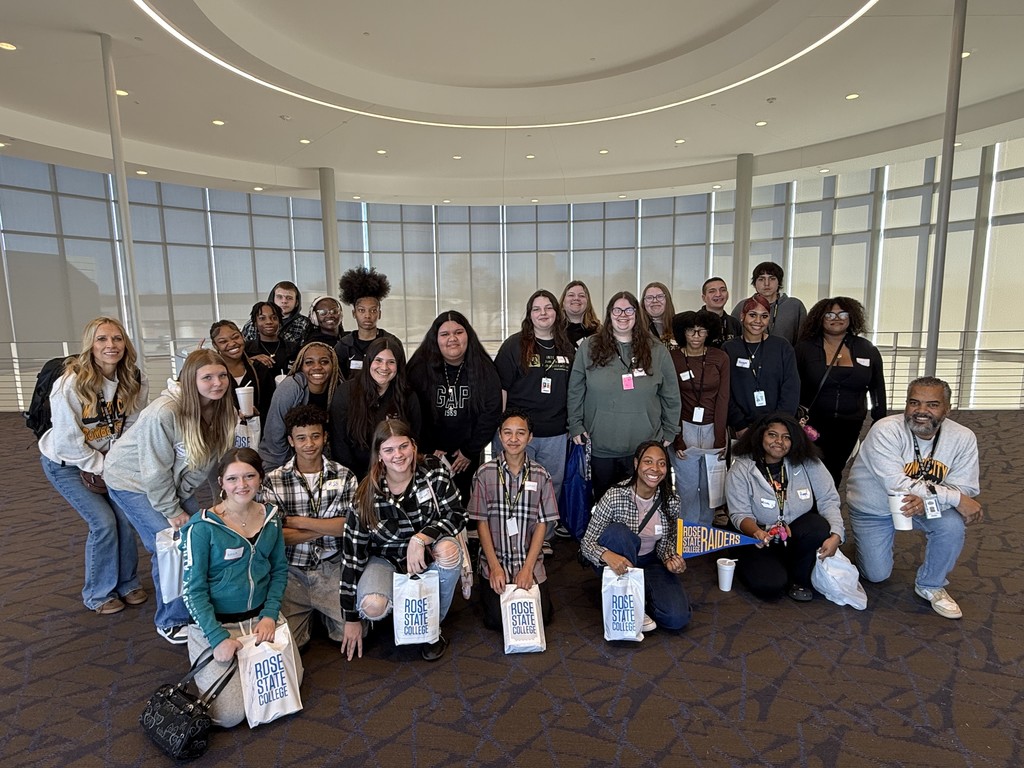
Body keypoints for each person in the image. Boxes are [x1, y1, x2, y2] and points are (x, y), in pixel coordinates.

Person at [105, 349, 237, 644]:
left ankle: (198, 606)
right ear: (190, 380)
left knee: (200, 536)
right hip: (133, 481)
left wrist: (224, 503)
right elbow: (153, 471)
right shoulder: (163, 412)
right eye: (207, 377)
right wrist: (172, 510)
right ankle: (171, 619)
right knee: (171, 545)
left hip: (172, 482)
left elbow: (214, 462)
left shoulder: (221, 409)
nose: (217, 383)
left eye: (222, 375)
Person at [38, 317, 149, 615]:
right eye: (102, 339)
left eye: (117, 339)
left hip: (109, 462)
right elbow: (67, 442)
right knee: (103, 522)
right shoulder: (70, 384)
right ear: (90, 345)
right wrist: (101, 466)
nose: (110, 345)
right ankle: (98, 594)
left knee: (126, 518)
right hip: (67, 464)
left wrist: (115, 465)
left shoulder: (134, 379)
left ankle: (126, 583)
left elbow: (134, 427)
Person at [847, 377, 982, 619]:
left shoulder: (963, 437)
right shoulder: (885, 430)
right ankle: (860, 549)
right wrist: (951, 498)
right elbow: (896, 484)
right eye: (914, 403)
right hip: (874, 507)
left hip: (924, 504)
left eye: (932, 404)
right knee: (877, 575)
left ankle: (931, 584)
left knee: (951, 525)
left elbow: (965, 487)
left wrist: (930, 499)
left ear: (947, 408)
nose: (921, 411)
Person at [339, 419, 466, 662]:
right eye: (389, 450)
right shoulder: (366, 494)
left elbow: (458, 514)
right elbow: (352, 556)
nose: (398, 455)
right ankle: (401, 613)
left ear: (414, 447)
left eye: (403, 446)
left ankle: (431, 625)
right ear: (379, 455)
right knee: (372, 606)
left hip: (427, 555)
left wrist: (421, 538)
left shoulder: (433, 471)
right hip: (386, 560)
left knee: (450, 550)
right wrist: (351, 617)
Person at [180, 448, 290, 728]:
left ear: (260, 478)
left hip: (259, 618)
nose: (241, 485)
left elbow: (279, 570)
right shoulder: (202, 528)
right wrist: (217, 638)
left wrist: (270, 614)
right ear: (221, 483)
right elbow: (192, 591)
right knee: (229, 716)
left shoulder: (272, 518)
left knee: (282, 693)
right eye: (233, 479)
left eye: (249, 476)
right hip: (216, 624)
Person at [568, 292, 681, 503]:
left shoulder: (656, 350)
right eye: (617, 310)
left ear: (637, 314)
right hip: (601, 445)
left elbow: (671, 394)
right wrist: (575, 424)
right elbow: (575, 390)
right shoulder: (589, 347)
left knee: (643, 508)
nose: (623, 315)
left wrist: (670, 429)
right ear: (609, 314)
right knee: (604, 505)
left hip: (645, 447)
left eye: (628, 310)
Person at [263, 405, 357, 649]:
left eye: (315, 436)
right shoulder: (273, 480)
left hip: (332, 566)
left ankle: (322, 613)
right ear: (291, 441)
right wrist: (328, 526)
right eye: (301, 438)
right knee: (285, 643)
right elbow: (277, 536)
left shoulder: (345, 475)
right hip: (292, 571)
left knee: (353, 633)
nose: (309, 444)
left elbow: (349, 527)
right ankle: (311, 613)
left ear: (325, 438)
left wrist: (298, 522)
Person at [725, 413, 845, 601]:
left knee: (817, 525)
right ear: (760, 436)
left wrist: (837, 535)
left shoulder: (807, 461)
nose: (779, 441)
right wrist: (757, 532)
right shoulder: (741, 468)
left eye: (786, 437)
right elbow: (739, 514)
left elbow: (828, 499)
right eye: (772, 435)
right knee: (770, 586)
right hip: (758, 538)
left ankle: (799, 578)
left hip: (794, 534)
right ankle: (767, 566)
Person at [581, 441, 690, 632]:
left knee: (677, 618)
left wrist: (671, 560)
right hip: (617, 558)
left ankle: (639, 594)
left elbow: (667, 543)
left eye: (661, 463)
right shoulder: (615, 495)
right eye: (648, 462)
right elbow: (586, 543)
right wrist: (607, 556)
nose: (655, 469)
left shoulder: (671, 501)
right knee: (620, 533)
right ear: (636, 463)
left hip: (651, 561)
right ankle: (628, 600)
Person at [469, 408, 558, 631]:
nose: (514, 439)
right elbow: (481, 523)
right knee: (497, 621)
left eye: (521, 433)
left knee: (542, 617)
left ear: (530, 437)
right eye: (508, 433)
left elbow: (542, 524)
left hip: (527, 560)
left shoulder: (541, 474)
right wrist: (494, 567)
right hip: (495, 559)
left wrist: (528, 568)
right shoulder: (484, 473)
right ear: (499, 435)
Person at [408, 310, 502, 504]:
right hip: (426, 453)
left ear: (468, 335)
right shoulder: (418, 368)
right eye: (445, 334)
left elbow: (491, 411)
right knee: (428, 502)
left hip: (466, 455)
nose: (452, 338)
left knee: (462, 503)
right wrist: (425, 449)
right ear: (436, 339)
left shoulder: (484, 368)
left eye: (458, 332)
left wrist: (470, 451)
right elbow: (409, 411)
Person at [795, 297, 887, 488]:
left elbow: (877, 388)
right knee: (810, 468)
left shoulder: (867, 349)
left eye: (842, 313)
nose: (836, 318)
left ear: (851, 316)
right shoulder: (805, 349)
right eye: (829, 314)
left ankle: (829, 512)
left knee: (835, 468)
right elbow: (792, 385)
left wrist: (879, 423)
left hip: (849, 424)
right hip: (812, 424)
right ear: (820, 318)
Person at [493, 289, 573, 499]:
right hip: (517, 432)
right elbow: (500, 389)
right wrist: (500, 428)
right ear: (530, 315)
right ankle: (513, 531)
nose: (543, 313)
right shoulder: (514, 345)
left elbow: (575, 390)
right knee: (512, 485)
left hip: (555, 432)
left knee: (550, 486)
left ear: (557, 312)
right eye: (537, 309)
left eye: (548, 308)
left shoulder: (567, 348)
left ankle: (545, 531)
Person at [669, 310, 730, 525]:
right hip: (684, 427)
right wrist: (677, 437)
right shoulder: (674, 358)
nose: (696, 335)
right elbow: (671, 398)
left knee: (709, 486)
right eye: (690, 330)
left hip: (714, 427)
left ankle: (704, 531)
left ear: (708, 332)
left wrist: (721, 438)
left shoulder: (719, 357)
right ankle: (685, 533)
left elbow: (723, 398)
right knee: (687, 487)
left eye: (701, 330)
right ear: (682, 332)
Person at [329, 336, 421, 478]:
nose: (384, 367)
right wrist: (356, 479)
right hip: (355, 475)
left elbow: (415, 437)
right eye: (378, 360)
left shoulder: (407, 396)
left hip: (397, 472)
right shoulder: (346, 393)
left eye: (391, 362)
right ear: (369, 361)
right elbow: (339, 443)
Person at [723, 294, 800, 437]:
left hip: (777, 429)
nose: (758, 321)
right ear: (742, 316)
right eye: (752, 315)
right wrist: (739, 425)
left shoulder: (782, 346)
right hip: (740, 428)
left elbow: (791, 388)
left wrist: (778, 426)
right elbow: (725, 391)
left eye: (764, 316)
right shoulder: (729, 349)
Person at [259, 341, 341, 471]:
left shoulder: (339, 389)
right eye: (309, 362)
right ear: (301, 366)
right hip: (279, 458)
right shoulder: (291, 387)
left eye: (324, 362)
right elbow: (274, 435)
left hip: (319, 456)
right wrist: (289, 469)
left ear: (333, 365)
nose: (317, 367)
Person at [335, 266, 404, 380]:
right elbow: (338, 380)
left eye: (373, 310)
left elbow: (401, 377)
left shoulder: (392, 342)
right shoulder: (344, 346)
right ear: (354, 313)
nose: (367, 315)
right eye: (362, 310)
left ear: (379, 314)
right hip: (353, 396)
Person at [210, 320, 277, 427]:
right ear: (215, 345)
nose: (232, 343)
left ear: (242, 336)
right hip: (223, 435)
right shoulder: (211, 374)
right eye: (223, 341)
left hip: (258, 434)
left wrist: (257, 415)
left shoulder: (259, 369)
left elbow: (272, 407)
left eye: (235, 337)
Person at [730, 262, 807, 345]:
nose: (766, 284)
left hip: (786, 356)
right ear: (754, 283)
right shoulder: (742, 306)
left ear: (779, 282)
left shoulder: (794, 306)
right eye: (761, 279)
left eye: (772, 278)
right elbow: (733, 339)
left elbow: (804, 340)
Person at [241, 280, 310, 346]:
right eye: (279, 297)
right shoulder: (252, 324)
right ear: (272, 299)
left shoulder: (304, 323)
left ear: (297, 302)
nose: (284, 301)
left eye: (289, 298)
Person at [243, 301, 296, 378]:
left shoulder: (293, 348)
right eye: (262, 318)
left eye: (274, 318)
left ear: (280, 322)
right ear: (255, 323)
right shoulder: (246, 349)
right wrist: (250, 360)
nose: (269, 322)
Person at [699, 276, 742, 348]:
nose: (718, 294)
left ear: (727, 295)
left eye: (723, 290)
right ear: (704, 298)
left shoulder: (734, 323)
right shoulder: (696, 321)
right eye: (712, 291)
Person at [560, 280, 600, 347]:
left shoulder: (598, 332)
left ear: (588, 302)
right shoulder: (554, 330)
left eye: (581, 296)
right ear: (563, 302)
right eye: (571, 295)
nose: (576, 298)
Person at [641, 281, 677, 347]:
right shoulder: (636, 327)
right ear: (643, 303)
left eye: (660, 296)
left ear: (667, 300)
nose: (655, 301)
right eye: (649, 297)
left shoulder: (678, 326)